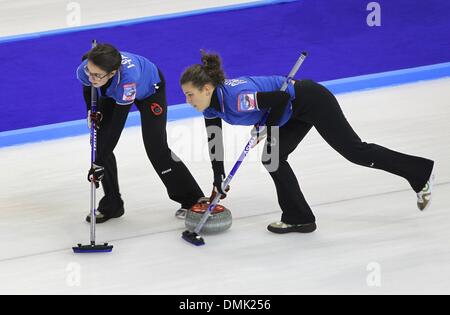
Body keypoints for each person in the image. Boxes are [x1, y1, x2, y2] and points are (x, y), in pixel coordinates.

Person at [179, 50, 435, 234]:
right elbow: (215, 141)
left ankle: (420, 172)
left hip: (309, 100)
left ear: (207, 89)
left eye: (191, 95)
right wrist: (217, 178)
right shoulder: (210, 109)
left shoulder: (237, 98)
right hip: (289, 112)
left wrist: (266, 129)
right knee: (273, 159)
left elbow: (278, 101)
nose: (188, 101)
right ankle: (299, 218)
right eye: (185, 96)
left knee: (355, 151)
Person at [76, 43, 204, 223]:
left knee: (156, 148)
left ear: (112, 73)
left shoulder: (128, 80)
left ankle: (192, 199)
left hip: (150, 89)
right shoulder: (86, 69)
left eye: (96, 75)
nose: (91, 77)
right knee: (99, 142)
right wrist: (91, 110)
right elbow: (88, 86)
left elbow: (117, 127)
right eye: (89, 71)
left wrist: (98, 164)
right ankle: (113, 204)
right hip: (113, 92)